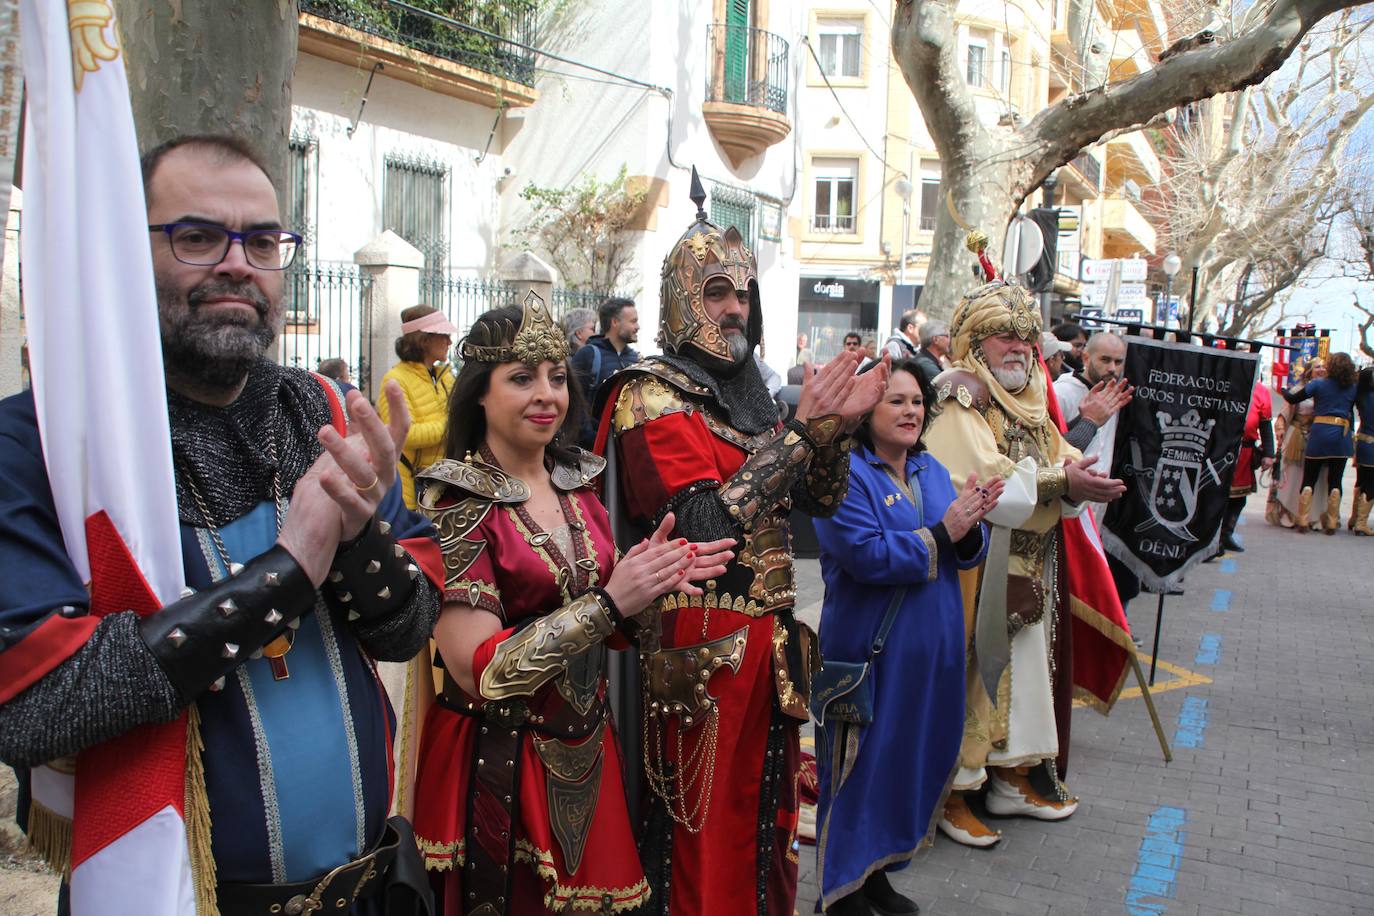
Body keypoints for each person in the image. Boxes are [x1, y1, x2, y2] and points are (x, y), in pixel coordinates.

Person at [0, 135, 443, 913]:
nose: (238, 262)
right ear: (122, 255)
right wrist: (291, 567)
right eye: (197, 237)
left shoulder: (327, 414)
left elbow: (406, 632)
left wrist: (360, 531)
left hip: (366, 890)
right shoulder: (43, 443)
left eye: (264, 240)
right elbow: (36, 708)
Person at [602, 183, 888, 916]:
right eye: (718, 291)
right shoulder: (650, 393)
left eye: (743, 293)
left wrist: (834, 430)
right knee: (700, 837)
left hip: (768, 644)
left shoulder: (752, 395)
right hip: (696, 651)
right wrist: (803, 432)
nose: (735, 308)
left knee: (769, 828)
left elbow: (815, 503)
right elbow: (703, 527)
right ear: (681, 298)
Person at [408, 299, 732, 913]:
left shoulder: (577, 486)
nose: (547, 395)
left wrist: (651, 589)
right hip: (498, 765)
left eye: (557, 377)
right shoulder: (457, 502)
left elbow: (609, 625)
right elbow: (481, 672)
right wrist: (613, 602)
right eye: (522, 378)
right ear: (479, 392)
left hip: (586, 748)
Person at [924, 282, 1124, 849]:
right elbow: (980, 478)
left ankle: (1009, 779)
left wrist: (1078, 465)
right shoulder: (959, 395)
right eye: (1003, 335)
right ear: (976, 341)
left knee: (1024, 679)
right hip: (978, 567)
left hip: (1033, 563)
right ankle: (953, 793)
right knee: (974, 679)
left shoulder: (1031, 389)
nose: (1017, 346)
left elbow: (1057, 452)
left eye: (1025, 336)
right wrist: (1065, 480)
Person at [812, 360, 1001, 916]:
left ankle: (877, 874)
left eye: (917, 401)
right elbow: (866, 555)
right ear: (865, 409)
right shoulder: (842, 475)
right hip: (871, 660)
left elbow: (967, 542)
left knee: (905, 766)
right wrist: (948, 531)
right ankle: (839, 889)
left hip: (931, 660)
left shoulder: (931, 470)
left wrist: (972, 529)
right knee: (856, 774)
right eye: (895, 400)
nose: (911, 411)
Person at [378, 304, 458, 509]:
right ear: (424, 340)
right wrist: (451, 425)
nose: (449, 342)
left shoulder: (445, 376)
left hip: (445, 479)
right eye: (443, 336)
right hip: (415, 484)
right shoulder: (395, 380)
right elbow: (406, 434)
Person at [1053, 331, 1133, 519]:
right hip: (1063, 502)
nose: (1112, 368)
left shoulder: (1114, 394)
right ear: (1086, 357)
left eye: (1118, 362)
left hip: (1096, 508)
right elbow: (1050, 448)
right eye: (1105, 360)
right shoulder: (1061, 393)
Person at [1281, 351, 1359, 534]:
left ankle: (1302, 520)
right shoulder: (1353, 387)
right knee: (1335, 480)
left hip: (1320, 433)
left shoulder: (1318, 384)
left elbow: (1292, 399)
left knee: (1310, 478)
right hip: (1342, 435)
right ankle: (1331, 523)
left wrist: (1283, 390)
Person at [570, 297, 640, 448]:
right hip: (593, 451)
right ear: (615, 322)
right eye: (633, 321)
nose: (638, 326)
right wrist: (593, 440)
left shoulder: (637, 359)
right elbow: (574, 400)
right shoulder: (588, 355)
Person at [1269, 358, 1326, 529]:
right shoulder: (1298, 390)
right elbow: (1285, 413)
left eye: (1324, 367)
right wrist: (1280, 427)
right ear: (1309, 370)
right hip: (1296, 436)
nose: (1322, 369)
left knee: (1319, 478)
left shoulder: (1328, 391)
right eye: (1318, 367)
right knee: (1293, 476)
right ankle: (1289, 513)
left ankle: (1312, 516)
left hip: (1318, 436)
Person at [1220, 382, 1275, 552]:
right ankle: (1212, 539)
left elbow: (1265, 425)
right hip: (1220, 449)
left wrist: (1268, 453)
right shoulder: (1223, 381)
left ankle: (1226, 534)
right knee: (1217, 496)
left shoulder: (1261, 391)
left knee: (1238, 498)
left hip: (1245, 451)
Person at [1351, 366, 1374, 535]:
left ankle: (1354, 518)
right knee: (1371, 484)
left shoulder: (1360, 396)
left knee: (1361, 481)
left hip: (1362, 442)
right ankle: (1361, 523)